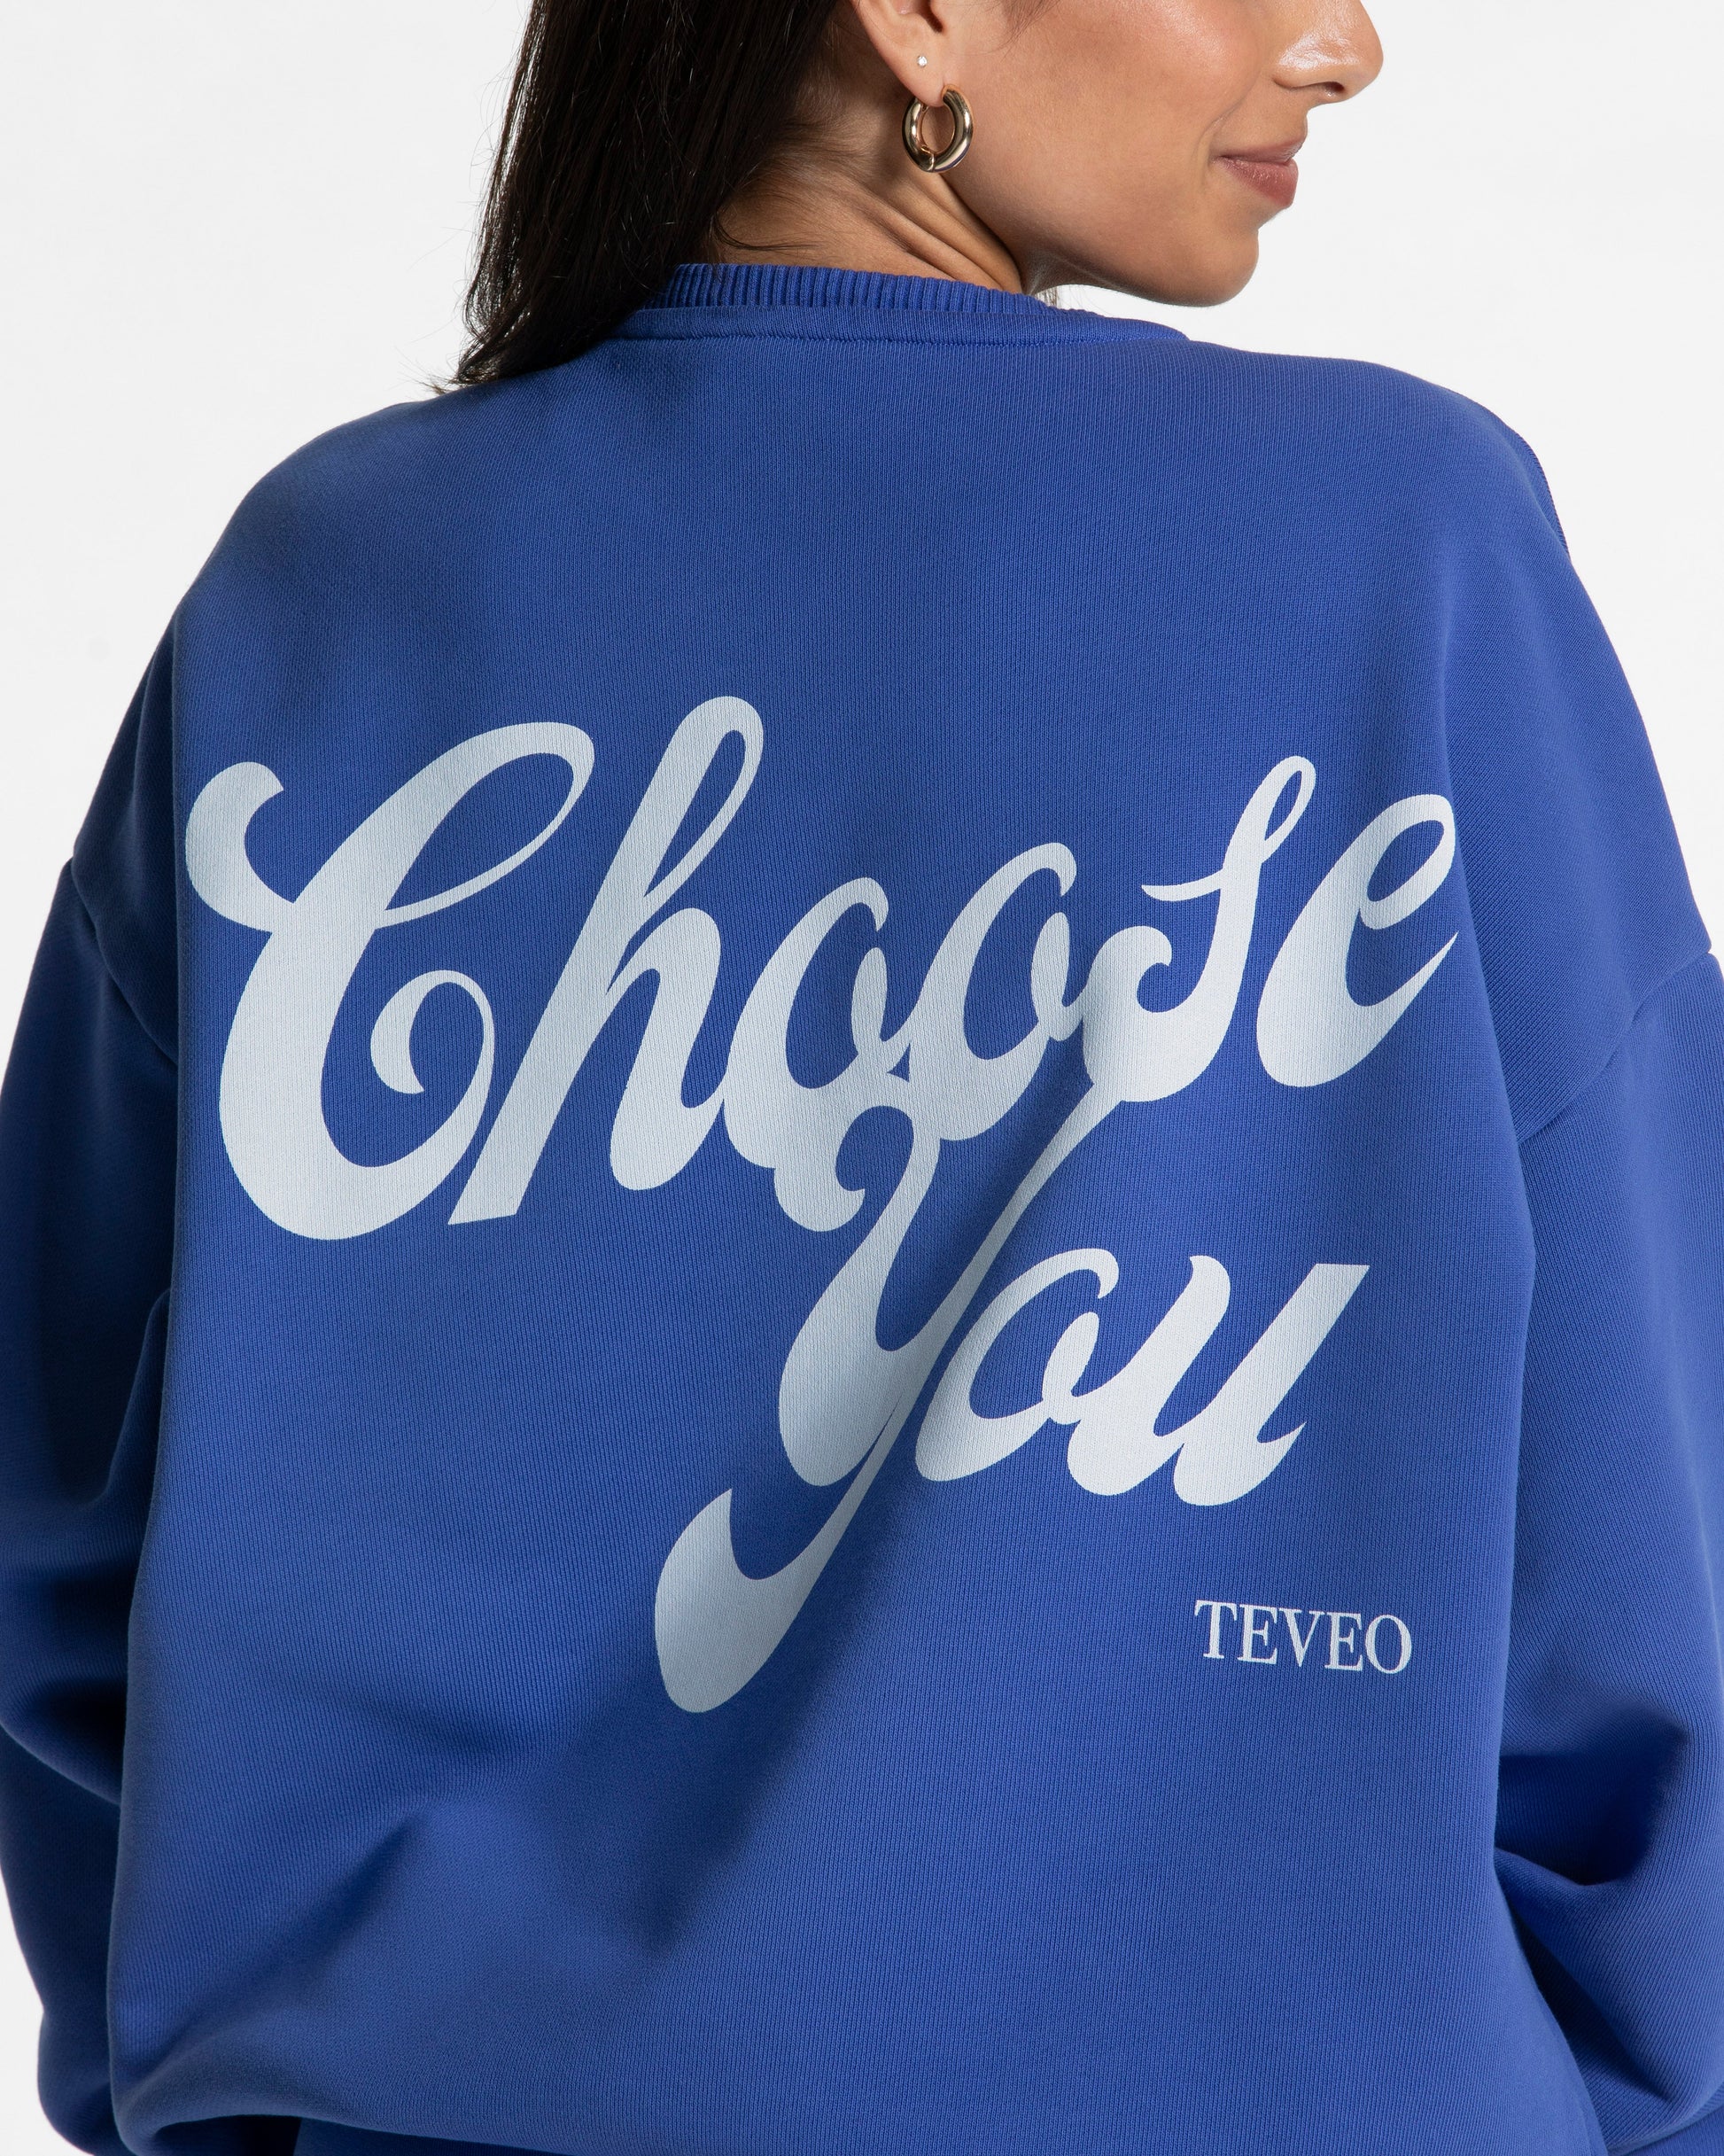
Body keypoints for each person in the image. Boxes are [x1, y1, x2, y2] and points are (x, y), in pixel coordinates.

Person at [4, 0, 1723, 2148]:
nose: (1343, 42)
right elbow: (1641, 1512)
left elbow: (64, 1550)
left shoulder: (320, 582)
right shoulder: (1401, 543)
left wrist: (222, 2084)